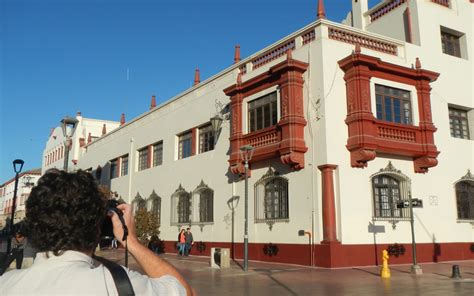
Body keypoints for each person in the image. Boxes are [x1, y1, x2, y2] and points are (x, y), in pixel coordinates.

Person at [0, 169, 193, 295]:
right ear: (97, 225)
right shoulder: (119, 284)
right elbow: (186, 292)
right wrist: (131, 241)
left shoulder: (5, 284)